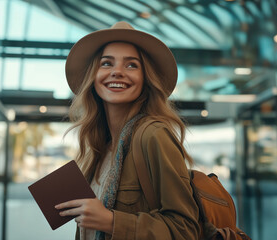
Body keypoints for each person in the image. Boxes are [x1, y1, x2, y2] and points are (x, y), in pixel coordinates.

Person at [55, 21, 200, 240]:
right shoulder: (100, 147)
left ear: (145, 79)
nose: (117, 72)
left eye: (131, 65)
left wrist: (111, 221)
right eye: (106, 63)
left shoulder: (153, 135)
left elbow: (186, 230)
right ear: (93, 77)